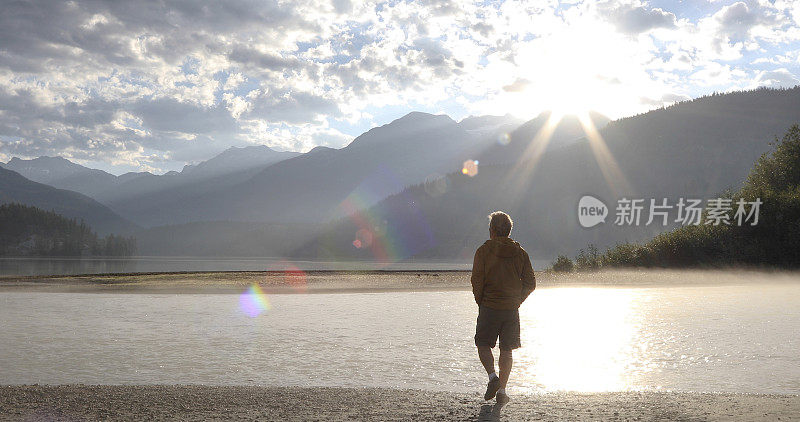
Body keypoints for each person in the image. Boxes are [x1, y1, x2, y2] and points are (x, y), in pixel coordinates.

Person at [471, 211, 536, 405]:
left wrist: (481, 299)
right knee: (507, 350)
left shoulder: (483, 251)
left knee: (482, 344)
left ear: (491, 231)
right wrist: (517, 300)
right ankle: (502, 391)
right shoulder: (520, 252)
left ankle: (492, 377)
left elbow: (477, 280)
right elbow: (530, 283)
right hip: (510, 309)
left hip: (489, 306)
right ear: (509, 231)